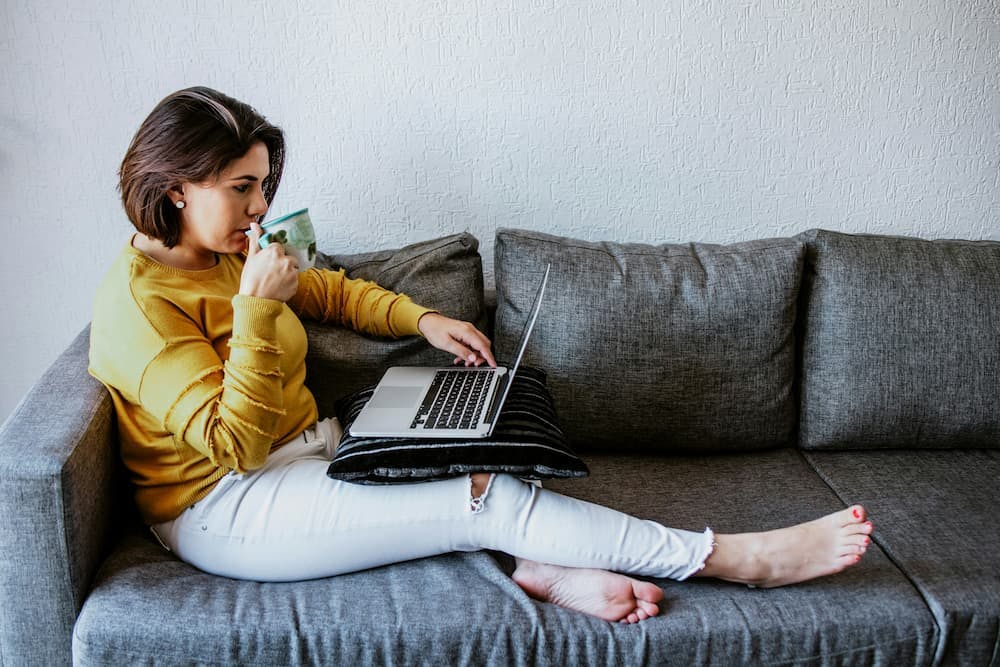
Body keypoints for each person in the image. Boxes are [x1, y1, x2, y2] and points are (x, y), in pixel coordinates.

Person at [89, 86, 873, 625]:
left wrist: (422, 317)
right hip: (226, 503)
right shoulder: (137, 307)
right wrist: (257, 309)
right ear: (179, 186)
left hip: (314, 448)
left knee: (495, 428)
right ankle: (728, 556)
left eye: (263, 185)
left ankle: (546, 568)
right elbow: (235, 443)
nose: (261, 208)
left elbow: (326, 290)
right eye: (242, 186)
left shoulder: (227, 248)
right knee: (481, 492)